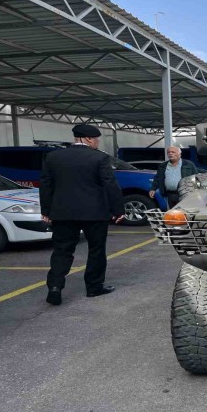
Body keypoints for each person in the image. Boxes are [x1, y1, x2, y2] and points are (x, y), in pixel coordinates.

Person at [40, 124, 125, 306]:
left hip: (62, 213)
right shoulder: (100, 157)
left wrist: (46, 211)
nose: (98, 142)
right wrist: (118, 210)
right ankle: (94, 287)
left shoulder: (53, 157)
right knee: (96, 250)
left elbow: (46, 184)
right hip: (94, 213)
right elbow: (110, 184)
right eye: (97, 139)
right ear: (88, 139)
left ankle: (54, 287)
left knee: (62, 251)